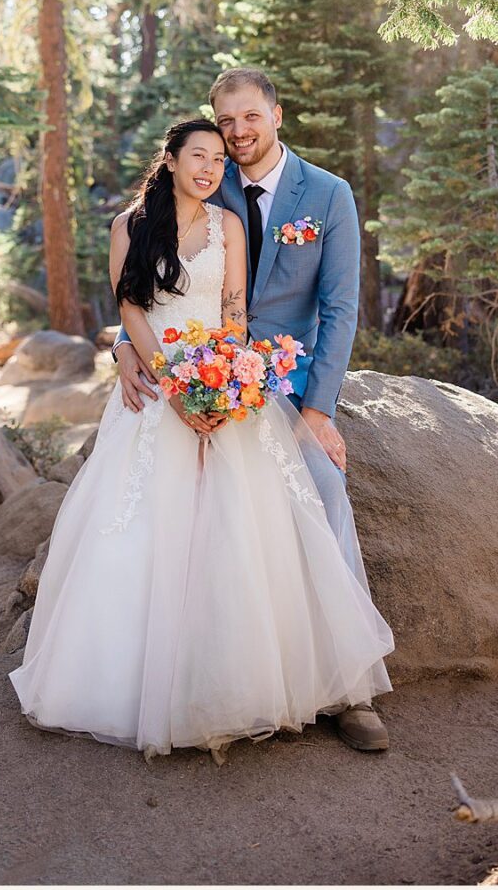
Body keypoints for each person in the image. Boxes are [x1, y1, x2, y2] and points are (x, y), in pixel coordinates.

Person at [11, 118, 394, 762]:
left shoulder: (231, 226)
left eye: (220, 158)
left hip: (223, 383)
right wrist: (168, 380)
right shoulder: (130, 227)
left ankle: (320, 683)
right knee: (145, 524)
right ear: (172, 158)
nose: (212, 167)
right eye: (200, 155)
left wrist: (223, 386)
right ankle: (138, 681)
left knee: (259, 519)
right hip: (159, 390)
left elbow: (234, 313)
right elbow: (130, 308)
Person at [112, 68, 392, 753]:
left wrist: (319, 410)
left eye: (248, 118)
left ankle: (349, 689)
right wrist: (126, 346)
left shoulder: (327, 194)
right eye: (224, 121)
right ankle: (190, 672)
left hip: (285, 384)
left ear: (276, 114)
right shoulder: (209, 179)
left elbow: (339, 307)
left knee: (322, 490)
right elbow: (152, 275)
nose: (235, 133)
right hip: (194, 371)